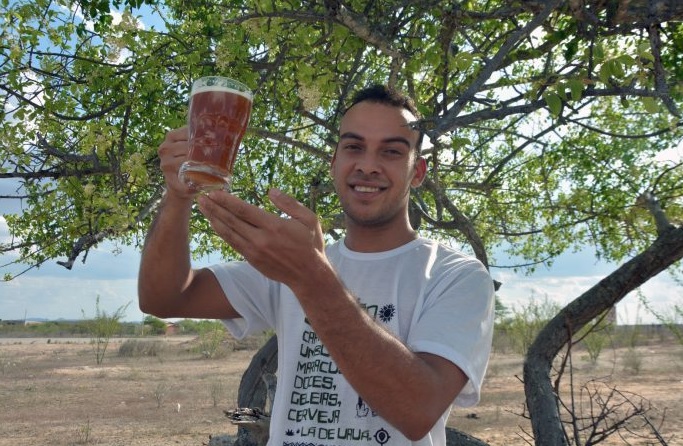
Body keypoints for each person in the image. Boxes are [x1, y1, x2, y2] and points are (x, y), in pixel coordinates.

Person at [138, 84, 495, 446]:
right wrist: (177, 196)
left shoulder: (457, 276)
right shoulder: (293, 261)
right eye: (354, 147)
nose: (368, 165)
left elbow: (418, 411)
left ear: (417, 172)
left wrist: (309, 277)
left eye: (390, 152)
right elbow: (165, 298)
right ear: (334, 162)